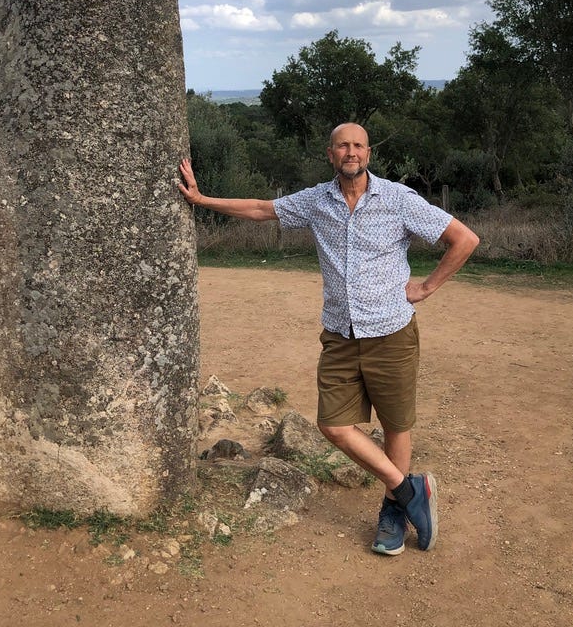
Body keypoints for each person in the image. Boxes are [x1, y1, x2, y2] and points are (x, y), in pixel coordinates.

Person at [178, 122, 479, 555]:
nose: (350, 152)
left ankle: (393, 513)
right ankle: (409, 490)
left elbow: (464, 239)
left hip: (392, 331)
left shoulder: (397, 199)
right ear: (330, 154)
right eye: (343, 146)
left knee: (396, 425)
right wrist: (203, 200)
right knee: (333, 424)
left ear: (368, 153)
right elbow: (263, 209)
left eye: (358, 145)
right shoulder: (316, 201)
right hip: (340, 334)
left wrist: (427, 287)